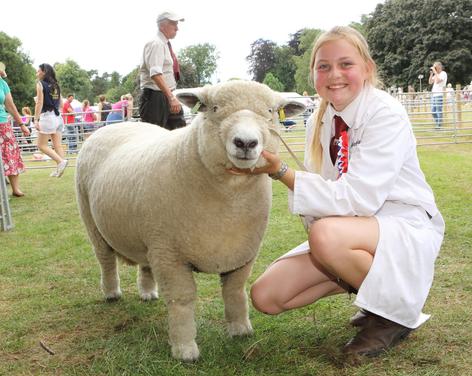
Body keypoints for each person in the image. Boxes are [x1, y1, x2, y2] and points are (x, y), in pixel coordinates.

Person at [229, 26, 445, 358]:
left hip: (402, 222)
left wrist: (282, 173)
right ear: (314, 73)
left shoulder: (384, 113)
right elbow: (328, 189)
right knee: (266, 296)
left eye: (346, 64)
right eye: (324, 66)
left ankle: (393, 316)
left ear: (367, 69)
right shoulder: (325, 117)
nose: (335, 75)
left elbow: (358, 198)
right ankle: (371, 289)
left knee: (325, 235)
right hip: (355, 229)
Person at [139, 11, 186, 130]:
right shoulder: (156, 44)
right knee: (154, 137)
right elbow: (155, 74)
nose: (177, 28)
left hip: (165, 95)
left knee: (177, 131)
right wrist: (171, 97)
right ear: (162, 26)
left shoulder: (163, 44)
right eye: (174, 24)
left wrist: (171, 96)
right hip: (156, 97)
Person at [33, 63, 68, 177]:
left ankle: (60, 162)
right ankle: (60, 170)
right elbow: (61, 104)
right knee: (57, 145)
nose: (37, 73)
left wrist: (36, 119)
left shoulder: (40, 84)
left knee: (41, 145)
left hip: (47, 117)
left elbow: (39, 102)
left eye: (38, 71)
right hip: (58, 117)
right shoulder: (56, 85)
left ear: (44, 72)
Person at [0, 65, 31, 196]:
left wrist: (21, 124)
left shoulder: (2, 84)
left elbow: (10, 106)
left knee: (10, 154)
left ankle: (15, 189)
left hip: (2, 123)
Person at [428, 61, 447, 128]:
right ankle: (437, 124)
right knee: (433, 111)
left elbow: (438, 81)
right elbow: (430, 82)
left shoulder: (443, 73)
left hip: (439, 94)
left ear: (439, 66)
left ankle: (439, 125)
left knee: (438, 110)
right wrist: (431, 74)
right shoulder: (436, 74)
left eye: (435, 66)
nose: (434, 68)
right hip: (433, 94)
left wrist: (435, 72)